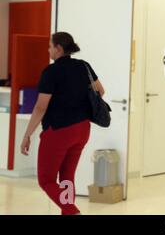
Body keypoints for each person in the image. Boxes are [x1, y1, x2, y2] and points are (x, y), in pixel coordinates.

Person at [20, 32, 105, 215]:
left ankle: (72, 211)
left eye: (50, 46)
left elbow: (40, 107)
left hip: (59, 131)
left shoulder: (51, 72)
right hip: (82, 129)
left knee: (46, 180)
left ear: (59, 48)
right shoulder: (84, 66)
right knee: (67, 178)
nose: (48, 49)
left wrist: (27, 135)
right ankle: (68, 211)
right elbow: (101, 91)